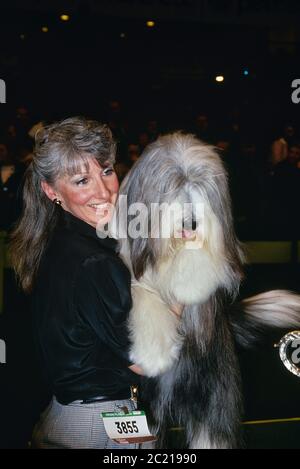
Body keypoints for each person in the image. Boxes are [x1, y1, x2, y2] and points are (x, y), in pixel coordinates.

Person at [10, 117, 143, 449]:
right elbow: (145, 361)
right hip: (99, 421)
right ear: (51, 191)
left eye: (108, 171)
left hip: (83, 414)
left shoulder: (57, 242)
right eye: (82, 180)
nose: (104, 190)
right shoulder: (93, 261)